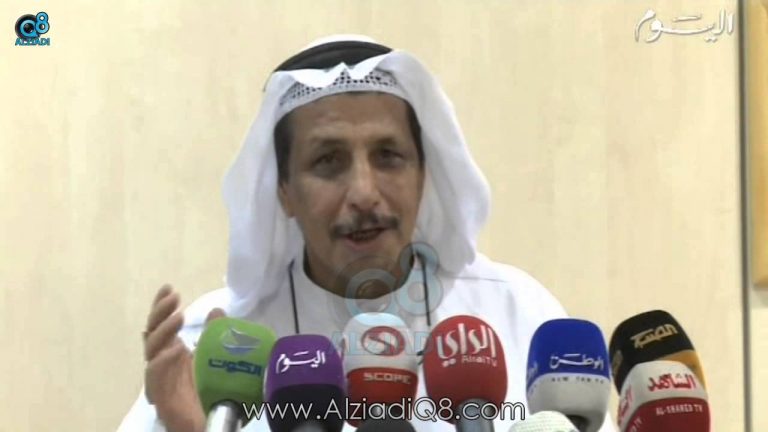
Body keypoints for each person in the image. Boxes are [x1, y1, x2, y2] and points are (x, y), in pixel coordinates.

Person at [118, 35, 614, 431]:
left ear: (423, 175)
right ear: (284, 191)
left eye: (388, 156)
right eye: (328, 161)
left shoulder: (516, 311)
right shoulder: (219, 346)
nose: (363, 192)